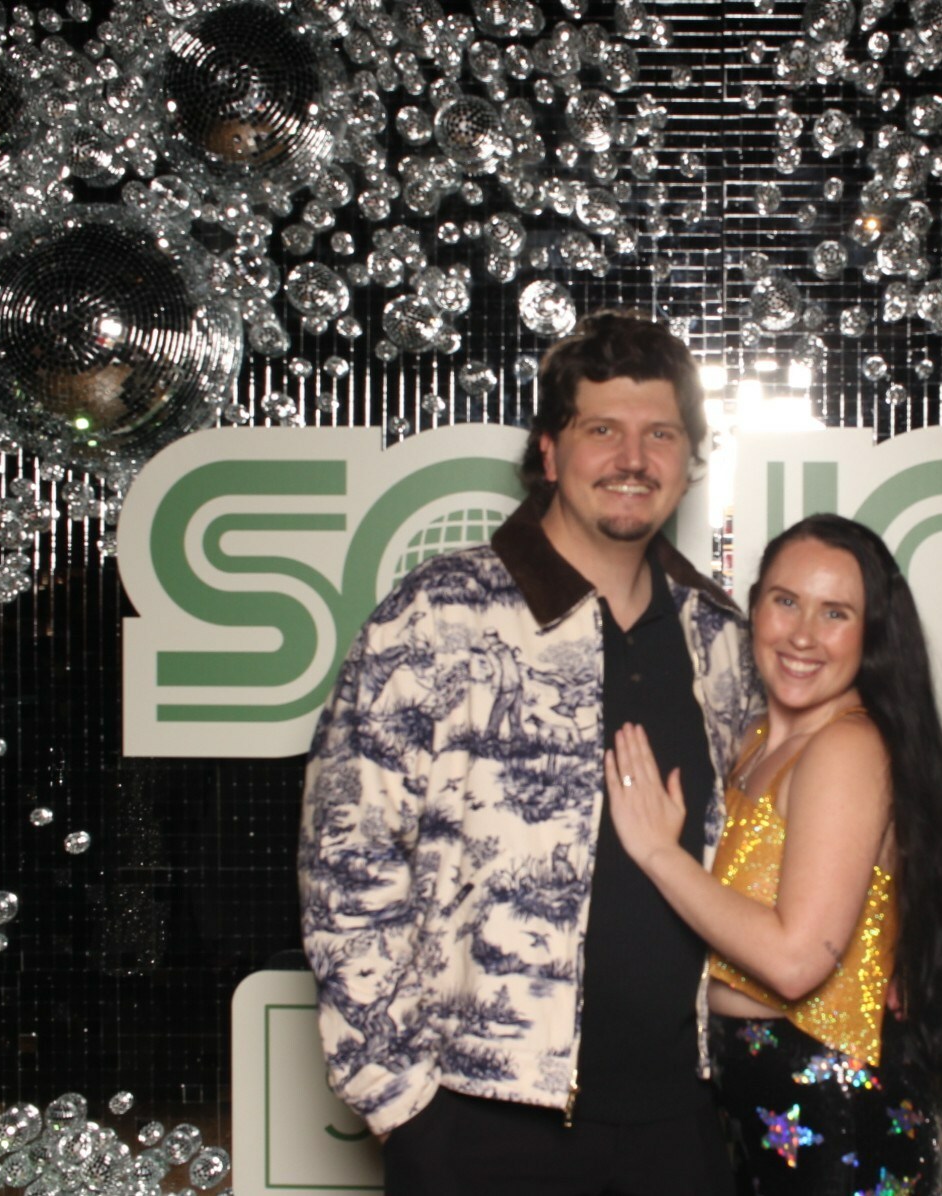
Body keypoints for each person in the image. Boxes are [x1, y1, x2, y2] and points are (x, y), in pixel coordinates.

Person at [299, 310, 762, 1196]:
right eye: (602, 430)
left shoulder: (720, 639)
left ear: (688, 458)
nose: (634, 458)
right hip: (481, 1121)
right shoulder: (439, 617)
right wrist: (401, 1103)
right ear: (550, 452)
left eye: (661, 433)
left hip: (682, 1121)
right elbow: (346, 861)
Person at [606, 514, 942, 1194]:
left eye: (835, 613)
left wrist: (661, 855)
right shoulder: (756, 739)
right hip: (757, 1108)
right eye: (786, 601)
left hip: (836, 1118)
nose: (803, 635)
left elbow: (793, 960)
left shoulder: (846, 746)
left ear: (871, 634)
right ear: (754, 609)